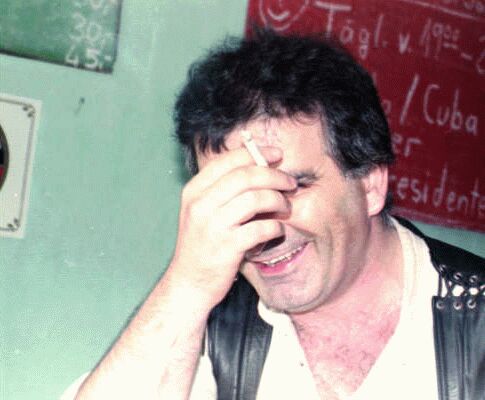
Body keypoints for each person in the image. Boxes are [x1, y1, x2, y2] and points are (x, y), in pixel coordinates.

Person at [64, 30, 484, 400]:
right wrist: (188, 284)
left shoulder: (474, 320)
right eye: (237, 197)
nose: (263, 230)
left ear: (370, 184)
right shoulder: (209, 320)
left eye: (290, 188)